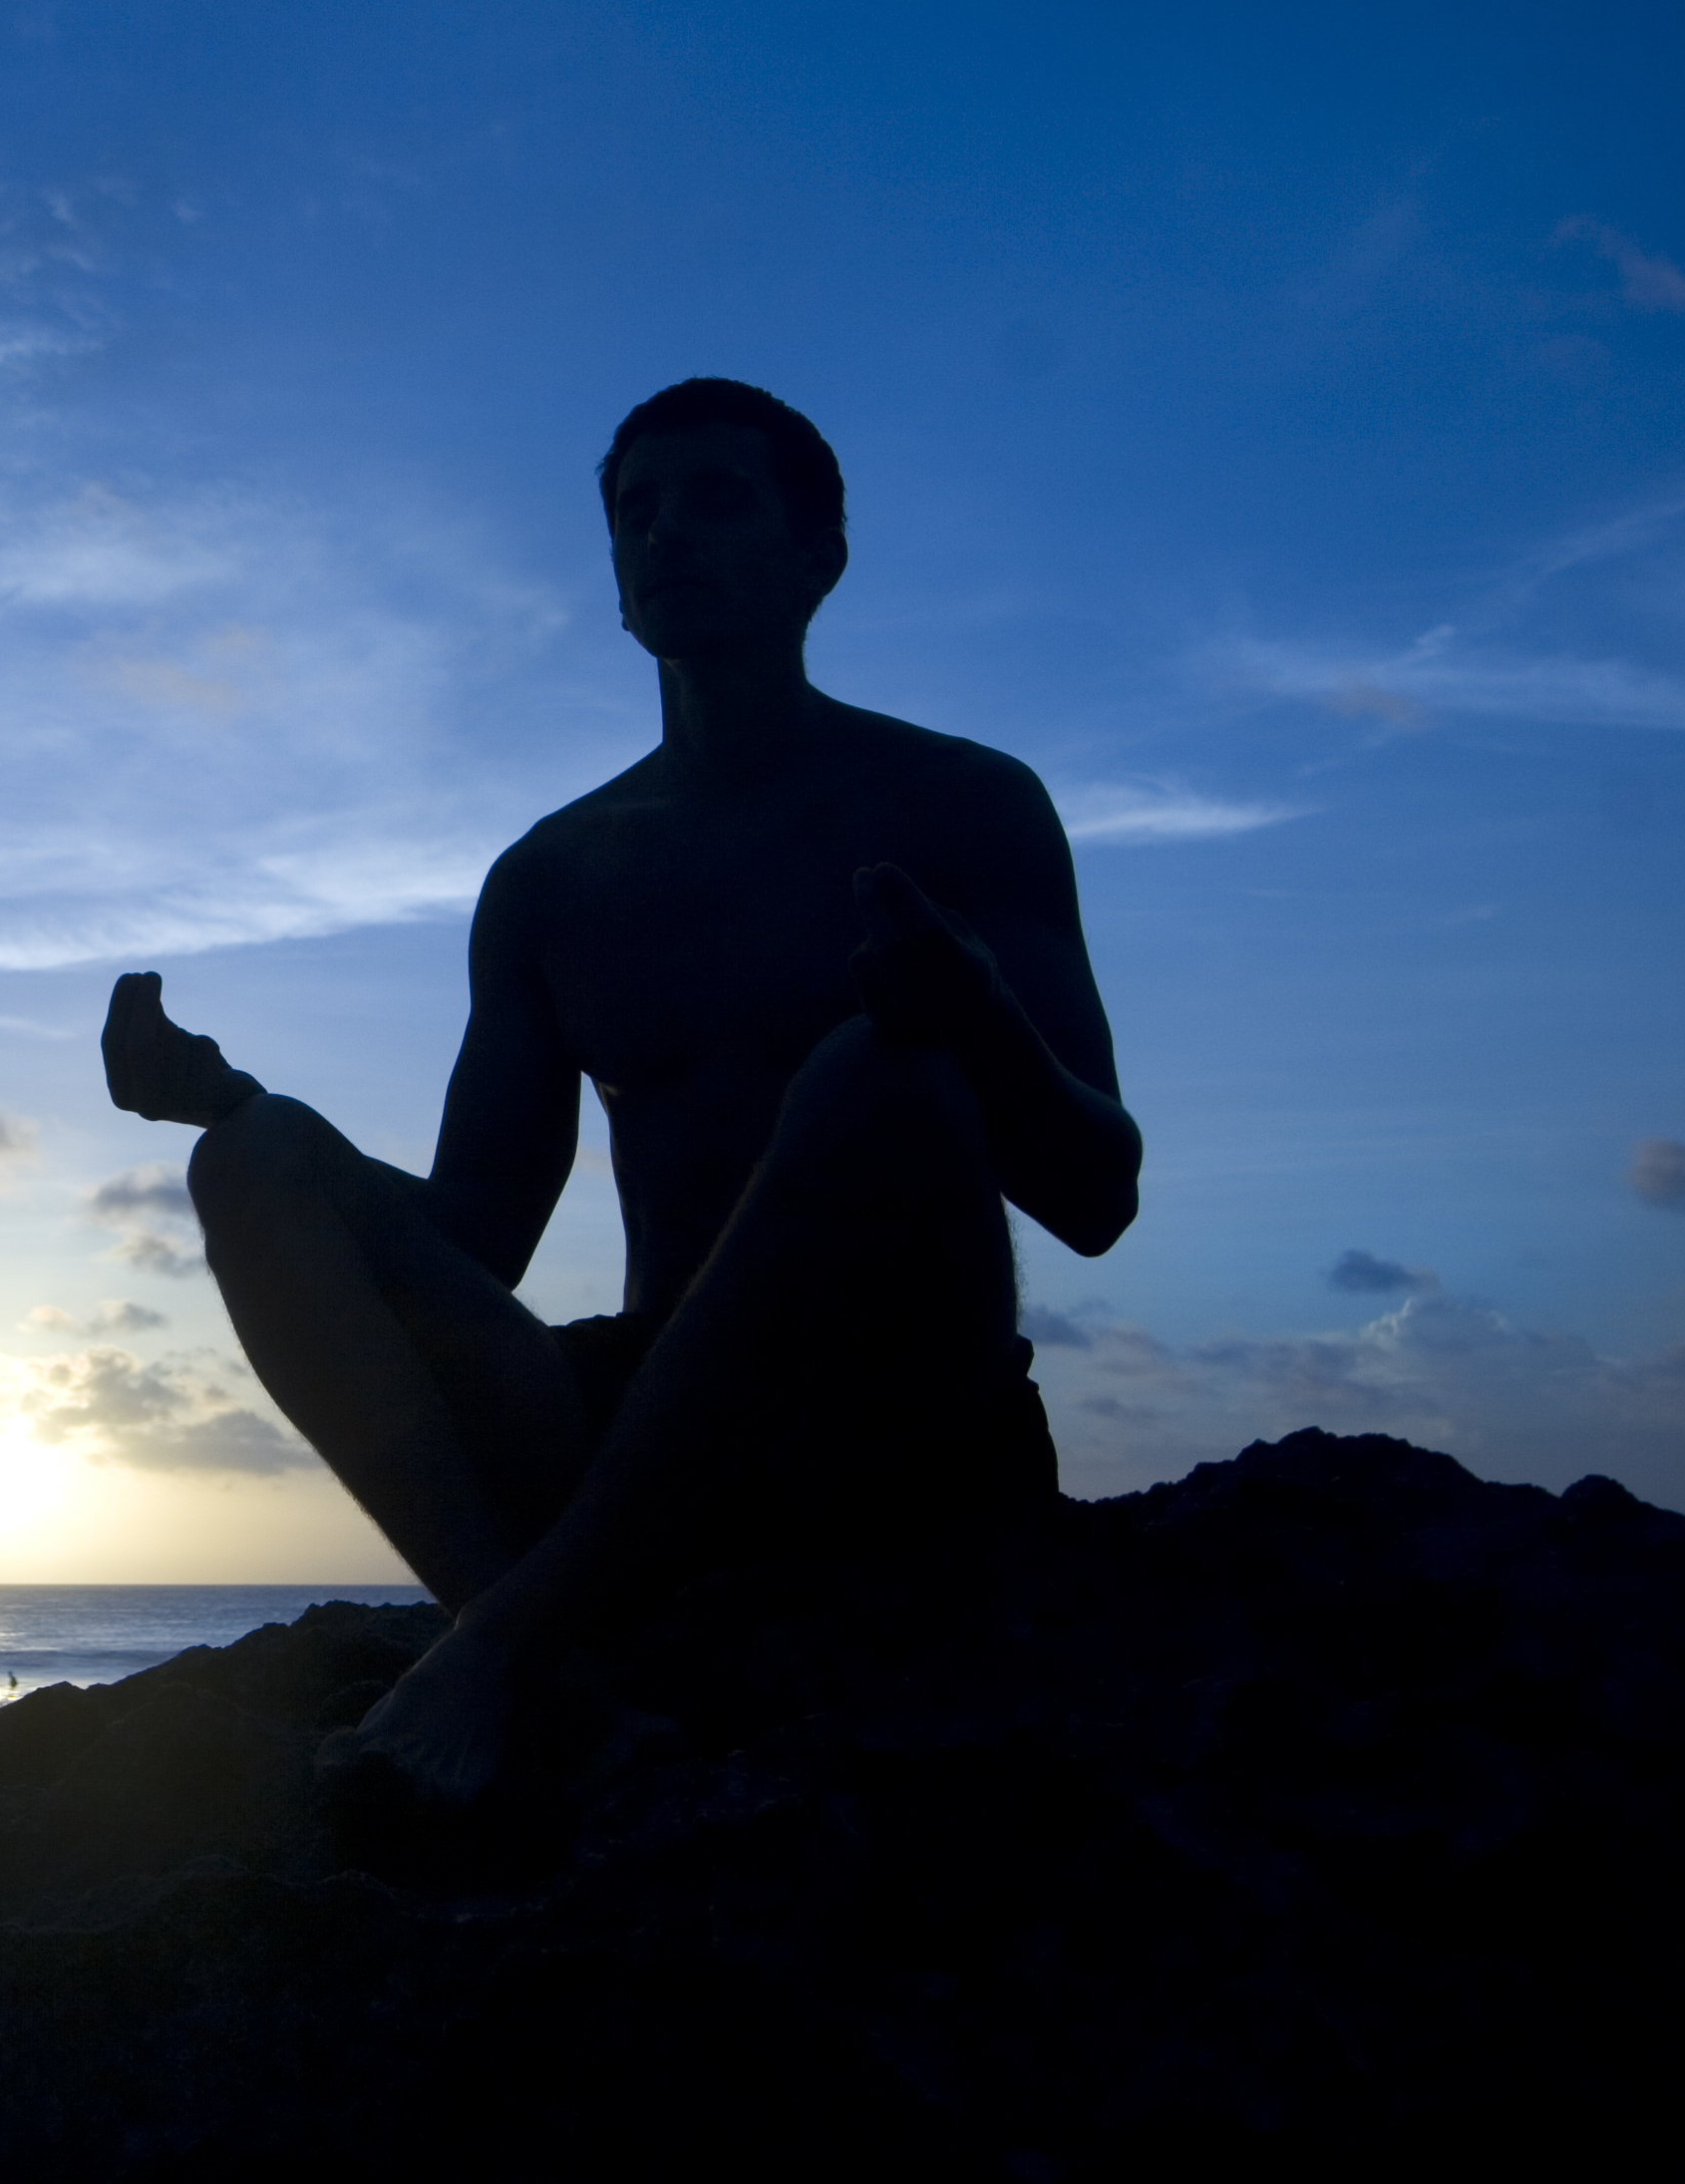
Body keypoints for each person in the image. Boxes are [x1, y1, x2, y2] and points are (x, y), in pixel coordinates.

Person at [100, 378, 1140, 1811]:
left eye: (718, 499)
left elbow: (1097, 1197)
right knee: (258, 1160)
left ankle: (510, 1642)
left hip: (900, 1429)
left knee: (875, 1067)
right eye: (635, 511)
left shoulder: (961, 807)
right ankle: (516, 1644)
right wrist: (225, 1100)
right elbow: (476, 1240)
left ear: (819, 553)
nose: (668, 536)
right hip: (639, 1436)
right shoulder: (552, 879)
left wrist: (975, 1020)